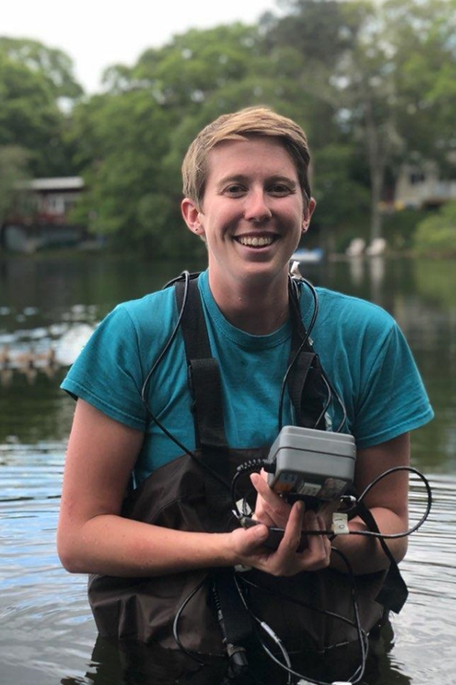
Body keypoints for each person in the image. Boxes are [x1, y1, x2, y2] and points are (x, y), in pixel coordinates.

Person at [56, 107, 433, 663]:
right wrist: (235, 549)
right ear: (195, 214)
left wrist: (321, 540)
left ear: (305, 213)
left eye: (278, 189)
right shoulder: (134, 335)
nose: (258, 208)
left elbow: (393, 524)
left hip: (332, 648)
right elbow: (80, 536)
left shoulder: (366, 336)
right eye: (235, 188)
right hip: (168, 657)